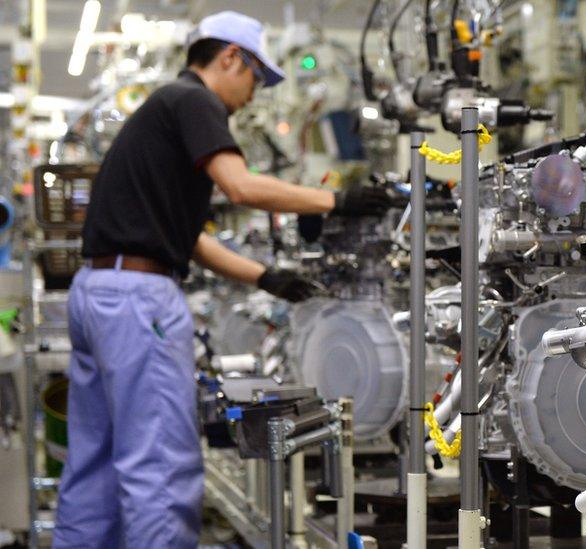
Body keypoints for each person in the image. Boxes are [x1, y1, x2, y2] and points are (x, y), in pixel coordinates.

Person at [51, 11, 387, 548]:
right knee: (159, 466)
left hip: (100, 292)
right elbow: (240, 186)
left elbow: (183, 239)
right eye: (256, 78)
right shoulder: (194, 101)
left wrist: (267, 278)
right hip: (140, 302)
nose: (253, 96)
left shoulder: (163, 111)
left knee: (97, 464)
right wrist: (335, 199)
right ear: (231, 57)